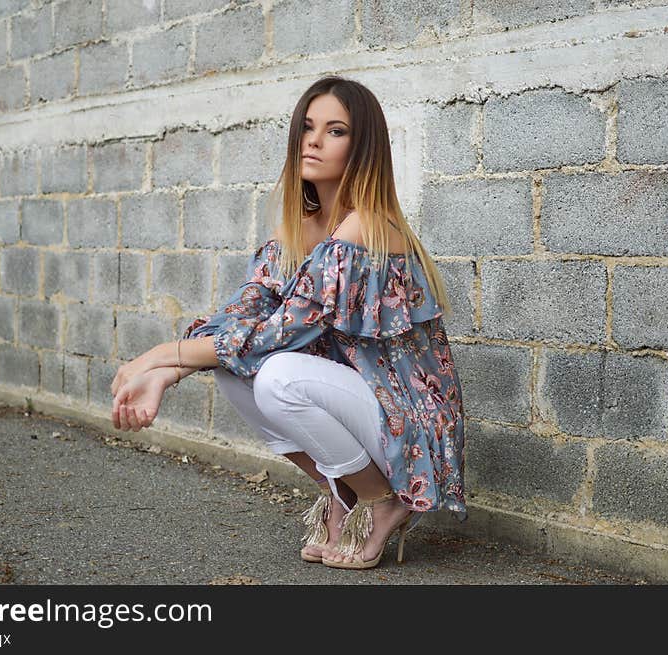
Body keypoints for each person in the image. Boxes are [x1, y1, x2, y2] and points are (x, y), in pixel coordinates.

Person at [110, 75, 467, 570]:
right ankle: (342, 492)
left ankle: (381, 500)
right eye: (307, 126)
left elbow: (277, 336)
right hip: (361, 408)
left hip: (405, 418)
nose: (314, 140)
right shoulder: (295, 230)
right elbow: (242, 318)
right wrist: (166, 374)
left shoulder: (366, 227)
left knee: (277, 374)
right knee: (235, 370)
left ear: (363, 147)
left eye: (335, 130)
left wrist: (156, 356)